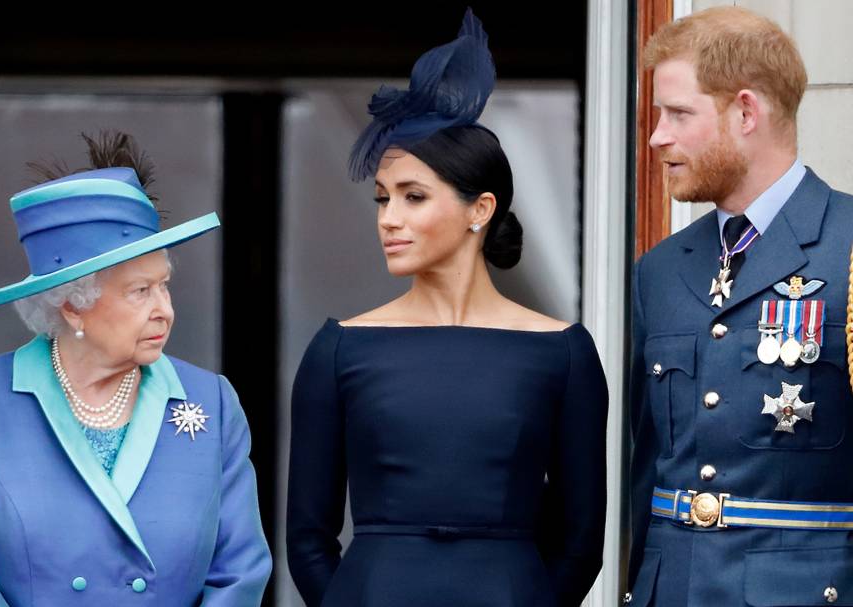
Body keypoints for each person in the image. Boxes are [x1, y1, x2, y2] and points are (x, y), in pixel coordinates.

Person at [287, 11, 608, 607]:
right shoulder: (340, 347)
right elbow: (307, 537)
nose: (389, 218)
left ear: (479, 210)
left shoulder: (564, 352)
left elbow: (582, 538)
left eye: (413, 197)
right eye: (383, 199)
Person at [0, 132, 271, 606]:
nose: (164, 310)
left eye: (164, 286)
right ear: (72, 305)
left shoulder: (211, 400)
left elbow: (240, 574)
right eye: (139, 292)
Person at [628, 7, 853, 605]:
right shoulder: (660, 269)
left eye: (678, 113)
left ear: (746, 112)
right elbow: (647, 466)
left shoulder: (849, 246)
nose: (657, 137)